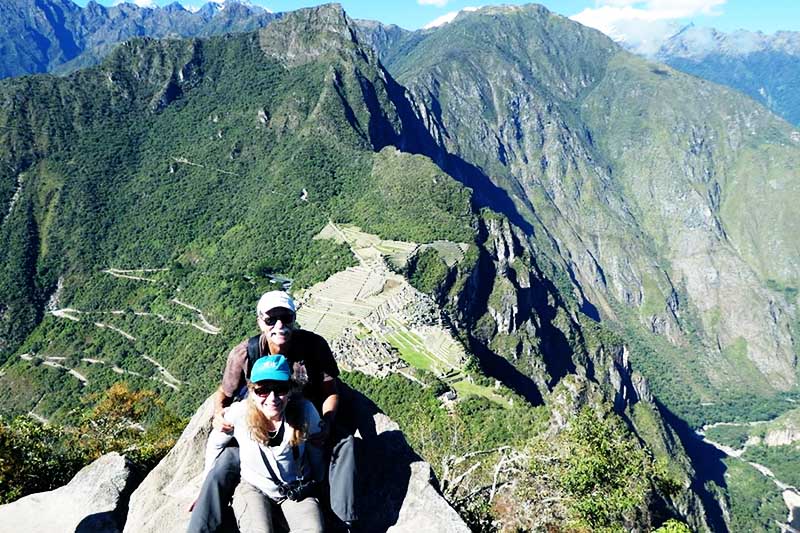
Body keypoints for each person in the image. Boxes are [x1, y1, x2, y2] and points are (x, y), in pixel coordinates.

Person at [189, 291, 356, 533]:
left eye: (286, 318)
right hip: (255, 427)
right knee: (226, 461)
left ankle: (342, 518)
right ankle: (202, 524)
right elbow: (223, 394)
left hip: (301, 421)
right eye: (270, 320)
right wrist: (218, 414)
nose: (279, 326)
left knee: (343, 443)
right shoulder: (245, 354)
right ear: (260, 321)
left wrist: (327, 422)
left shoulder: (312, 347)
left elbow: (331, 389)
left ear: (294, 318)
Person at [203, 355, 325, 533]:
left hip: (296, 488)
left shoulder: (305, 412)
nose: (272, 397)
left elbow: (316, 447)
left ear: (290, 390)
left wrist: (320, 482)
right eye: (263, 390)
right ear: (251, 391)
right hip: (254, 488)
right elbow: (215, 443)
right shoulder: (239, 414)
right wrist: (207, 487)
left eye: (280, 389)